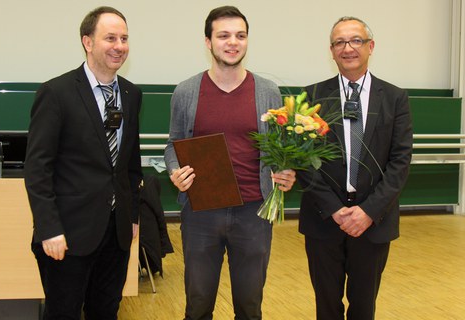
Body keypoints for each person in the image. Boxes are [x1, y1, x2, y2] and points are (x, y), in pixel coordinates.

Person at [164, 6, 296, 320]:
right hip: (201, 212)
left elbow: (280, 149)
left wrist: (287, 170)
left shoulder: (267, 91)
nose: (232, 42)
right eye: (223, 35)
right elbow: (173, 145)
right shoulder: (186, 92)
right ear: (208, 42)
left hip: (253, 212)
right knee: (198, 305)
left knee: (250, 307)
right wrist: (174, 171)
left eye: (240, 35)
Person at [24, 6, 142, 320]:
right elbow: (38, 168)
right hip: (67, 233)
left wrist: (131, 217)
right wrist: (48, 228)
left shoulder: (131, 94)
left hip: (116, 234)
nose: (120, 46)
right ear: (87, 42)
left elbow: (130, 163)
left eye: (124, 38)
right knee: (63, 313)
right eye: (111, 38)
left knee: (106, 311)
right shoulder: (56, 92)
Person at [297, 16, 413, 320]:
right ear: (331, 50)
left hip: (374, 222)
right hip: (324, 220)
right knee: (326, 306)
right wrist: (335, 209)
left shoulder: (395, 98)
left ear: (370, 46)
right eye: (340, 42)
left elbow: (400, 162)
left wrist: (368, 212)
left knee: (364, 307)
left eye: (356, 40)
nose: (348, 48)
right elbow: (304, 163)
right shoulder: (311, 97)